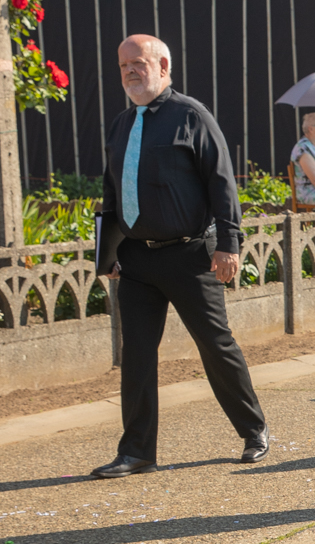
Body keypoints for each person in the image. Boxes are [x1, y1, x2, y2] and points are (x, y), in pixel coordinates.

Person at [90, 34, 269, 479]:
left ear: (163, 66)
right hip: (136, 260)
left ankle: (254, 430)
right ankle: (136, 452)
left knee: (215, 344)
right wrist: (108, 253)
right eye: (123, 66)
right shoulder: (120, 125)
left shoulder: (191, 115)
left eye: (138, 63)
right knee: (136, 355)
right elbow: (113, 191)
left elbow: (222, 182)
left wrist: (229, 244)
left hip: (190, 256)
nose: (130, 71)